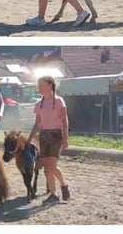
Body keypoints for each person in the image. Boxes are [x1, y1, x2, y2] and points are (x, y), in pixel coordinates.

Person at [27, 76, 71, 205]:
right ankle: (54, 194)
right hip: (44, 136)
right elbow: (37, 123)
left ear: (50, 85)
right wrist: (29, 139)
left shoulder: (59, 101)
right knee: (47, 167)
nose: (39, 87)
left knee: (51, 166)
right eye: (38, 85)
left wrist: (65, 137)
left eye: (42, 85)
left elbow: (64, 120)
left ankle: (63, 185)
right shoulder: (38, 104)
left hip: (56, 135)